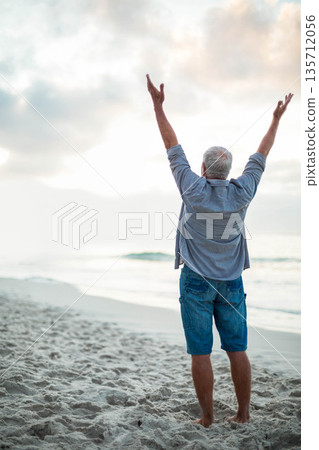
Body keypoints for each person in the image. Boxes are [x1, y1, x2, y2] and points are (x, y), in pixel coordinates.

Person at [146, 73, 293, 428]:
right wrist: (275, 120)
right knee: (236, 349)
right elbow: (262, 153)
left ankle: (208, 418)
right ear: (229, 172)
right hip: (231, 284)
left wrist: (158, 105)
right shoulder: (243, 191)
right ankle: (243, 415)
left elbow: (171, 145)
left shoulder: (191, 187)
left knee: (200, 352)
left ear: (202, 169)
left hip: (196, 282)